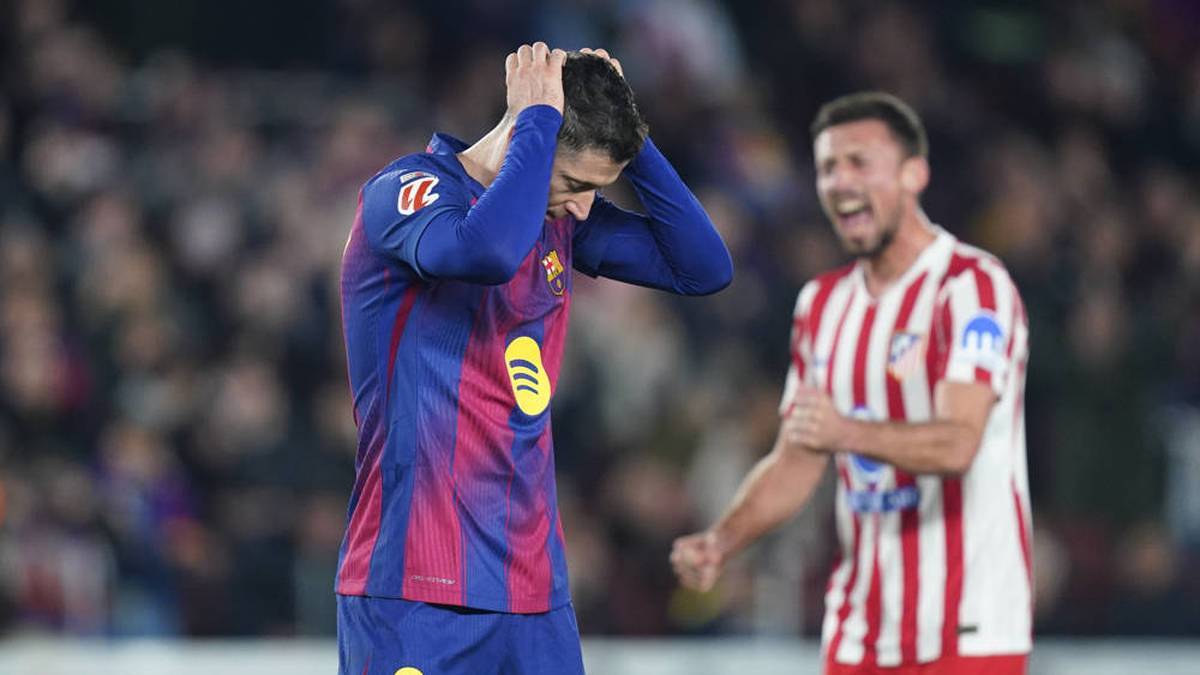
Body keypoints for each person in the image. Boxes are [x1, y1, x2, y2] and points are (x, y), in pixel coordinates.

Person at [337, 42, 732, 675]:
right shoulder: (404, 193)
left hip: (533, 593)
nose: (582, 206)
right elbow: (484, 253)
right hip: (414, 586)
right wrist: (538, 119)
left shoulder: (558, 220)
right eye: (575, 183)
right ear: (529, 136)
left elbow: (704, 267)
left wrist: (630, 134)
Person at [671, 92, 1031, 675]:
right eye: (827, 167)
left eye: (859, 163)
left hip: (967, 629)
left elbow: (958, 443)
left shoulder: (971, 288)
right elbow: (797, 459)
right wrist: (723, 540)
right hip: (859, 632)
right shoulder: (822, 304)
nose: (839, 182)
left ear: (915, 173)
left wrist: (847, 431)